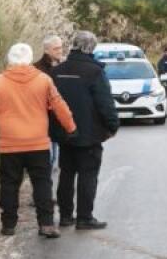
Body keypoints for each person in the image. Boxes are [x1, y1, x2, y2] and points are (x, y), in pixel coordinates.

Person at [0, 42, 77, 238]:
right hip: (37, 143)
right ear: (30, 58)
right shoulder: (43, 80)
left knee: (9, 185)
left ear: (9, 59)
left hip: (9, 145)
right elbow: (59, 105)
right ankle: (46, 224)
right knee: (42, 184)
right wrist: (71, 127)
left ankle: (8, 225)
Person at [51, 30, 119, 229]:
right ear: (91, 48)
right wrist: (113, 125)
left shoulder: (57, 71)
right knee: (88, 175)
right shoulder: (95, 72)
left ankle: (65, 216)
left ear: (74, 45)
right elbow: (105, 103)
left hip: (64, 133)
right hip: (89, 134)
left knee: (66, 174)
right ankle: (84, 217)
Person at [35, 36, 65, 169]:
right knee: (50, 157)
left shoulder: (64, 66)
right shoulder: (37, 68)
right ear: (47, 50)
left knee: (55, 155)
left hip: (58, 116)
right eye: (56, 48)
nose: (60, 51)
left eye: (61, 47)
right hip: (43, 116)